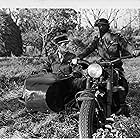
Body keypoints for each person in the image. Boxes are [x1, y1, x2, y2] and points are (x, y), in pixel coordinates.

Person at [72, 18, 139, 116]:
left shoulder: (117, 37)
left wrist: (133, 50)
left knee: (122, 82)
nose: (99, 28)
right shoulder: (97, 41)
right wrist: (78, 57)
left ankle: (121, 105)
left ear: (105, 27)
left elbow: (126, 45)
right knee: (87, 78)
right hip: (101, 66)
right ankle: (83, 105)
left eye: (100, 26)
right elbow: (88, 49)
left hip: (115, 66)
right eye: (98, 26)